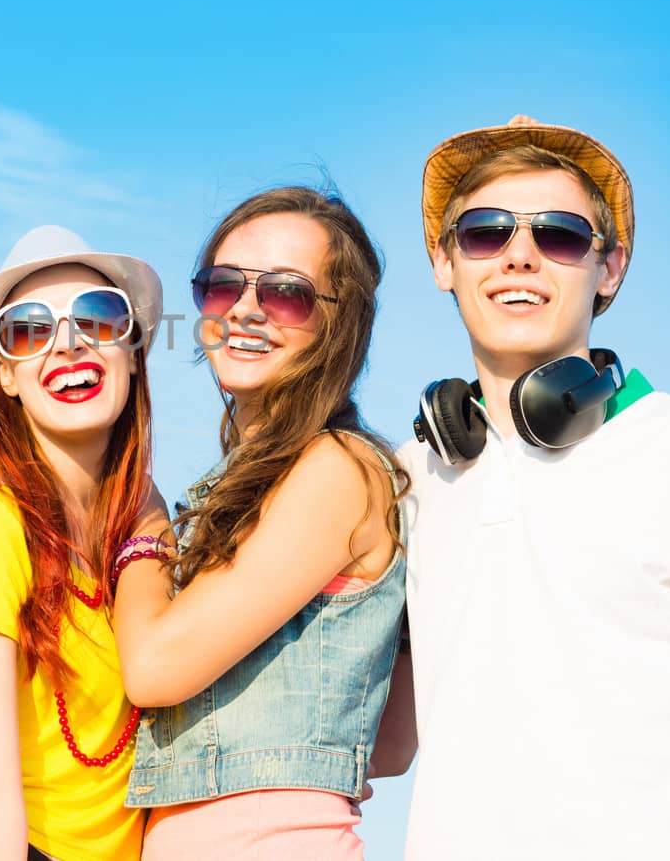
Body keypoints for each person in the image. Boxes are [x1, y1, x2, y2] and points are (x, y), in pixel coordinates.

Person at [386, 115, 670, 859]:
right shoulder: (410, 476)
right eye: (485, 232)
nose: (519, 256)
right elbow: (387, 746)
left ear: (611, 268)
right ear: (444, 261)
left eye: (559, 235)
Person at [108, 186, 407, 860]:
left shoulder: (335, 467)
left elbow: (155, 668)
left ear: (340, 322)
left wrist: (143, 523)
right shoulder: (252, 486)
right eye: (221, 287)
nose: (245, 309)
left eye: (285, 292)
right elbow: (390, 744)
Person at [0, 225, 163, 861]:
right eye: (29, 329)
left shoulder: (140, 550)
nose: (69, 343)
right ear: (5, 375)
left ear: (133, 352)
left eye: (100, 317)